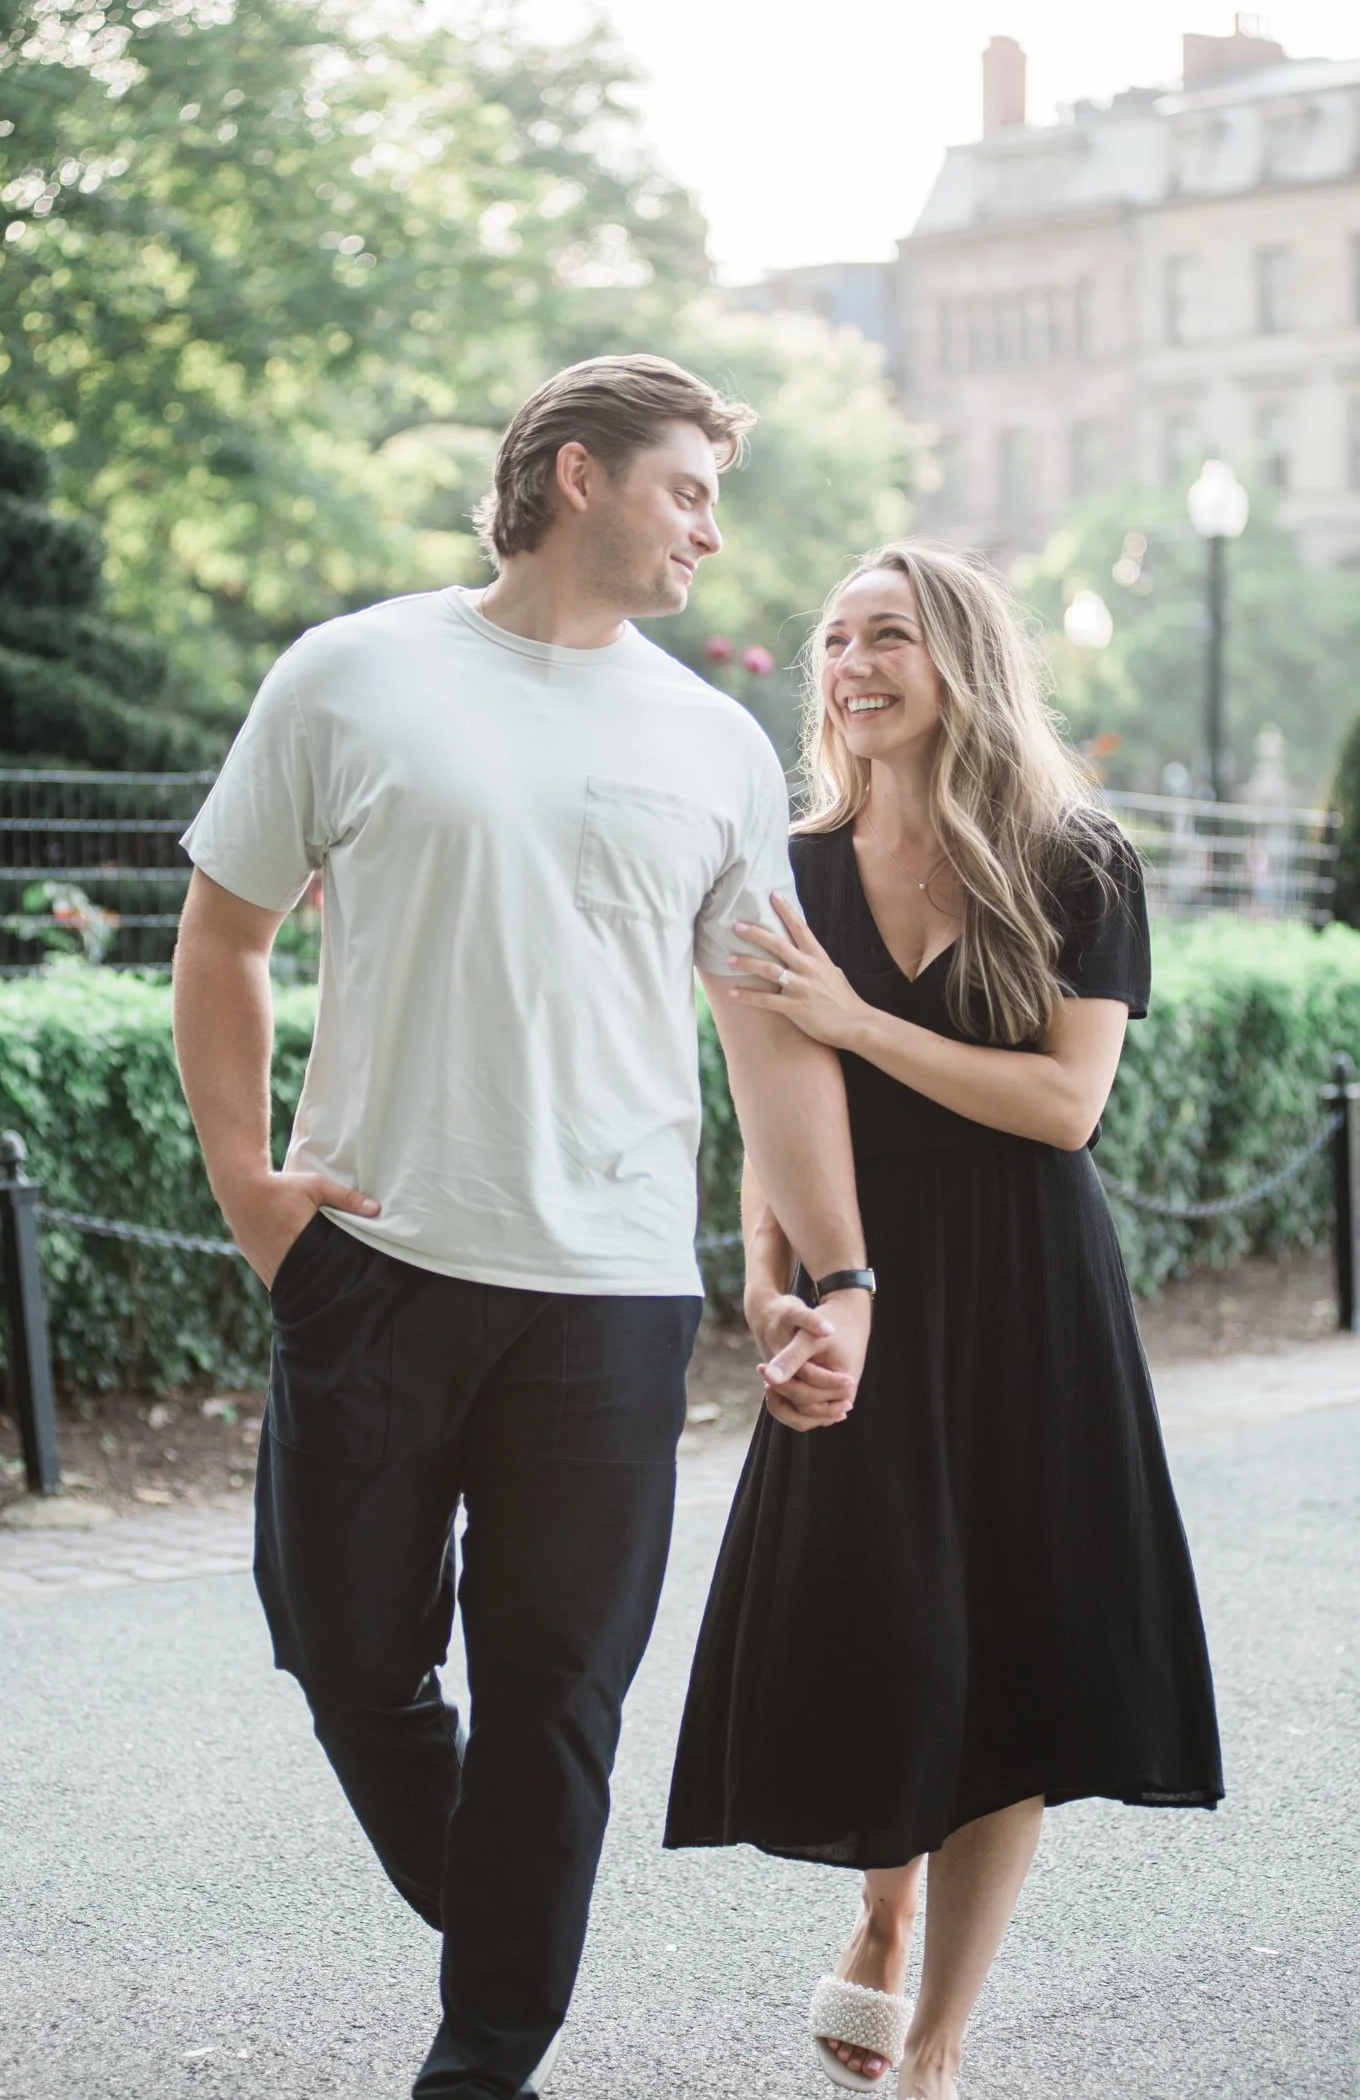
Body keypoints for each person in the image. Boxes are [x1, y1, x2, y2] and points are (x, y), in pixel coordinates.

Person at [170, 353, 874, 2100]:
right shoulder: (352, 672)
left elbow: (768, 1032)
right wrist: (249, 1186)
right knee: (345, 1654)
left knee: (558, 1699)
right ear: (575, 475)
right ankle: (509, 1911)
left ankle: (481, 2064)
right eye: (686, 489)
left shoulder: (710, 743)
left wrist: (839, 1273)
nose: (711, 531)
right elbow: (225, 933)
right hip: (373, 1261)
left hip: (608, 1297)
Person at [664, 542, 1223, 2099]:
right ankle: (882, 1906)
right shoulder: (789, 870)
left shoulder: (1074, 857)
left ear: (960, 658)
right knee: (886, 1622)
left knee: (1008, 1649)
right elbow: (774, 1106)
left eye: (888, 636)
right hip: (864, 1283)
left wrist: (856, 1020)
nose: (851, 666)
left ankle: (936, 2046)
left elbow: (1064, 1106)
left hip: (1029, 1286)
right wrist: (771, 1283)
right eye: (834, 638)